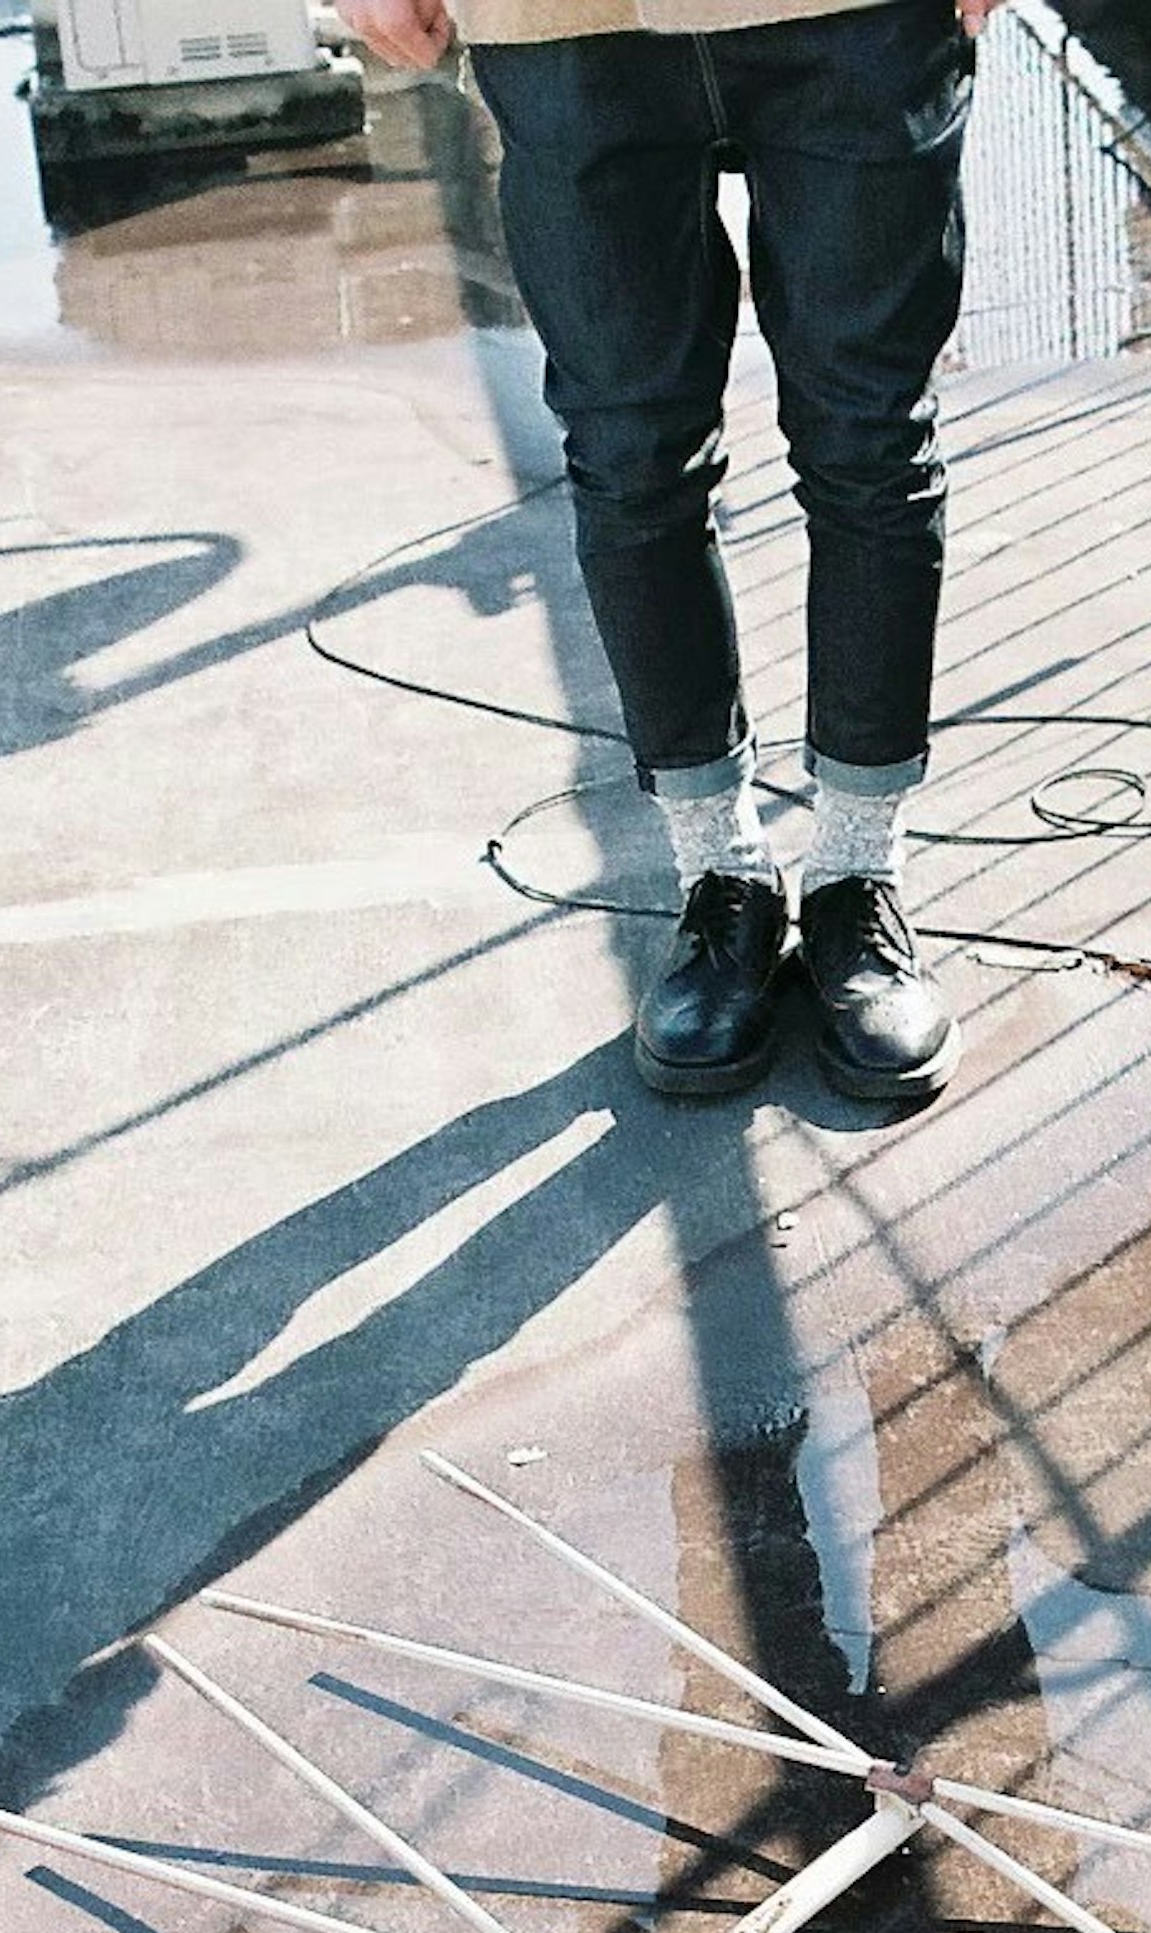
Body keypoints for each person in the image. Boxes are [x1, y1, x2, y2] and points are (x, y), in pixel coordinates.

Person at [339, 0, 988, 1105]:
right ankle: (721, 874)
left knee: (870, 434)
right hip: (562, 21)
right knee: (631, 450)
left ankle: (855, 873)